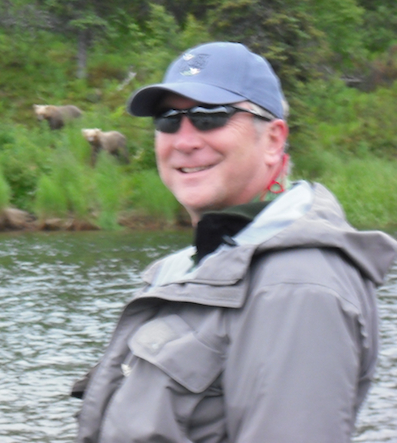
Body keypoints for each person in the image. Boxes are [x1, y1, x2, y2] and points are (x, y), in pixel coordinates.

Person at [72, 41, 397, 443]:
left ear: (273, 140)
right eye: (168, 119)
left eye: (210, 116)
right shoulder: (189, 265)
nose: (184, 140)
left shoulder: (298, 287)